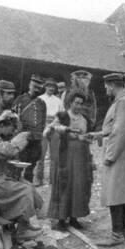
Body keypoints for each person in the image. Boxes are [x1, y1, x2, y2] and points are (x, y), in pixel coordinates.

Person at [93, 72, 125, 246]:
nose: (106, 89)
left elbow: (119, 130)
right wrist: (98, 133)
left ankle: (117, 235)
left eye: (107, 86)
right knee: (123, 190)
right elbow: (116, 127)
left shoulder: (122, 102)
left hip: (120, 149)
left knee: (115, 191)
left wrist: (110, 156)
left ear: (113, 85)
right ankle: (123, 230)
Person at [0, 111, 44, 240]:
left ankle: (24, 223)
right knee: (24, 191)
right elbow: (7, 151)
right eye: (13, 128)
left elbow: (0, 159)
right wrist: (20, 138)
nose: (12, 132)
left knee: (28, 185)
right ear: (3, 124)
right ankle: (22, 230)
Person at [45, 92, 94, 231]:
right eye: (76, 103)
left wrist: (88, 138)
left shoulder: (85, 119)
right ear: (70, 102)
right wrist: (63, 132)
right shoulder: (62, 116)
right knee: (64, 184)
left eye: (81, 103)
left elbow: (87, 137)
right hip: (65, 156)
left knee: (78, 185)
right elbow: (49, 131)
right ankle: (61, 218)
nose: (79, 106)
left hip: (80, 157)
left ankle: (74, 217)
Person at [12, 74, 47, 183]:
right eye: (34, 86)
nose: (36, 90)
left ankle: (28, 189)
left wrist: (39, 135)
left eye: (38, 87)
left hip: (36, 140)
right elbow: (13, 118)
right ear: (29, 85)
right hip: (23, 140)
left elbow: (43, 121)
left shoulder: (42, 103)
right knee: (18, 167)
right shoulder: (20, 100)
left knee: (30, 168)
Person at [35, 78, 64, 186]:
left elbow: (61, 115)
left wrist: (53, 124)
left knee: (54, 155)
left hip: (54, 127)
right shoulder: (39, 99)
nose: (51, 88)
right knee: (41, 154)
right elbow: (36, 115)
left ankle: (53, 179)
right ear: (45, 87)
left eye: (53, 87)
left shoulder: (58, 101)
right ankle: (39, 178)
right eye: (49, 86)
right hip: (42, 126)